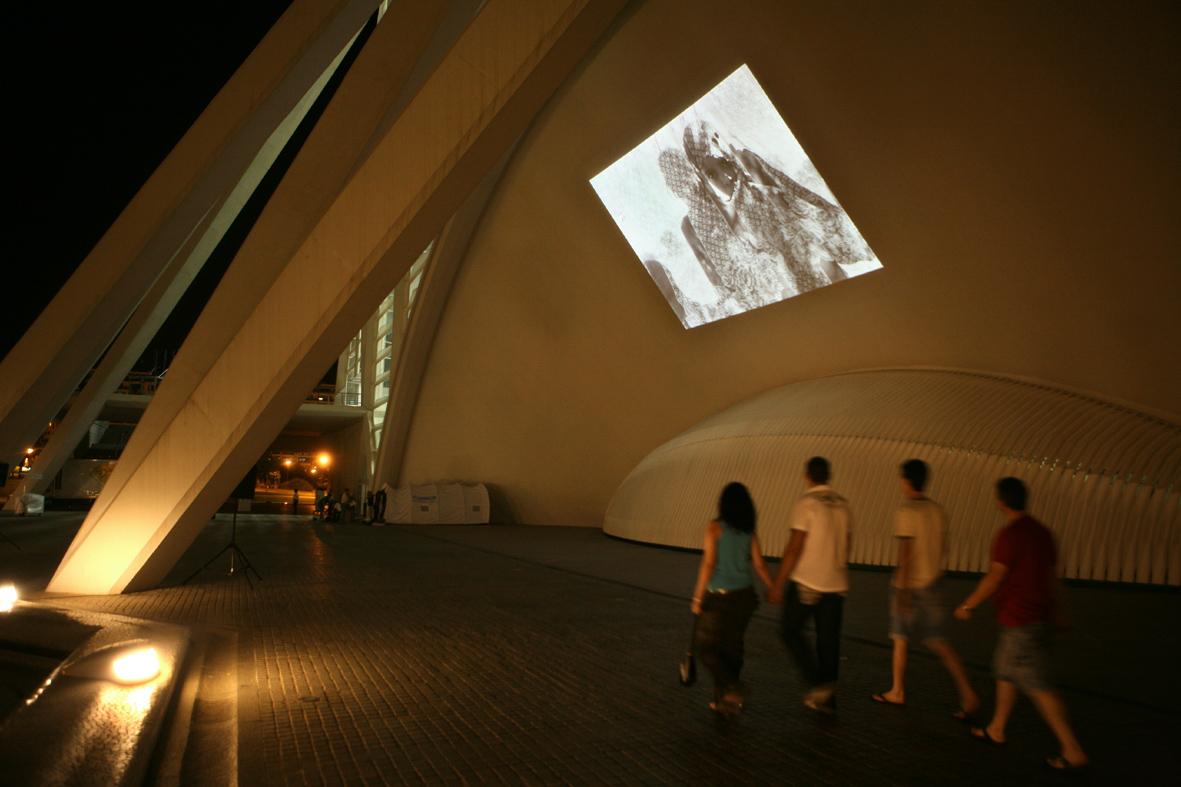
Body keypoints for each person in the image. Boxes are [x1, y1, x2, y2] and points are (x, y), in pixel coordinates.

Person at [955, 478, 1088, 771]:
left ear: (1001, 502)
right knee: (1005, 669)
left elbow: (996, 576)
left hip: (1020, 619)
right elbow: (1053, 578)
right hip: (1038, 617)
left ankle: (1072, 749)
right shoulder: (1042, 533)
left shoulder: (1009, 536)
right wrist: (1058, 613)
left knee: (1038, 684)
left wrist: (968, 604)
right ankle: (997, 728)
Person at [873, 460, 979, 720]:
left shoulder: (907, 511)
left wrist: (904, 592)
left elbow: (906, 554)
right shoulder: (937, 511)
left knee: (900, 638)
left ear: (907, 481)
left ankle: (897, 690)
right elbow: (943, 547)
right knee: (938, 640)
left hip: (908, 585)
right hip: (933, 584)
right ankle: (967, 693)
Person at [768, 456, 852, 712]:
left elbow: (795, 547)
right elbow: (847, 545)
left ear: (807, 475)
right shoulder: (843, 505)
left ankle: (817, 683)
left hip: (808, 581)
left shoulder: (807, 503)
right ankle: (828, 697)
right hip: (836, 583)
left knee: (789, 630)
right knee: (828, 640)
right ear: (829, 475)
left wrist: (777, 584)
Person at [690, 482, 774, 716]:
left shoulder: (714, 527)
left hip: (720, 598)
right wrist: (774, 587)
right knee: (732, 650)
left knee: (706, 648)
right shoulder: (749, 531)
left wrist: (698, 597)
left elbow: (708, 564)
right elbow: (759, 564)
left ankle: (732, 689)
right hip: (745, 597)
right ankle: (725, 701)